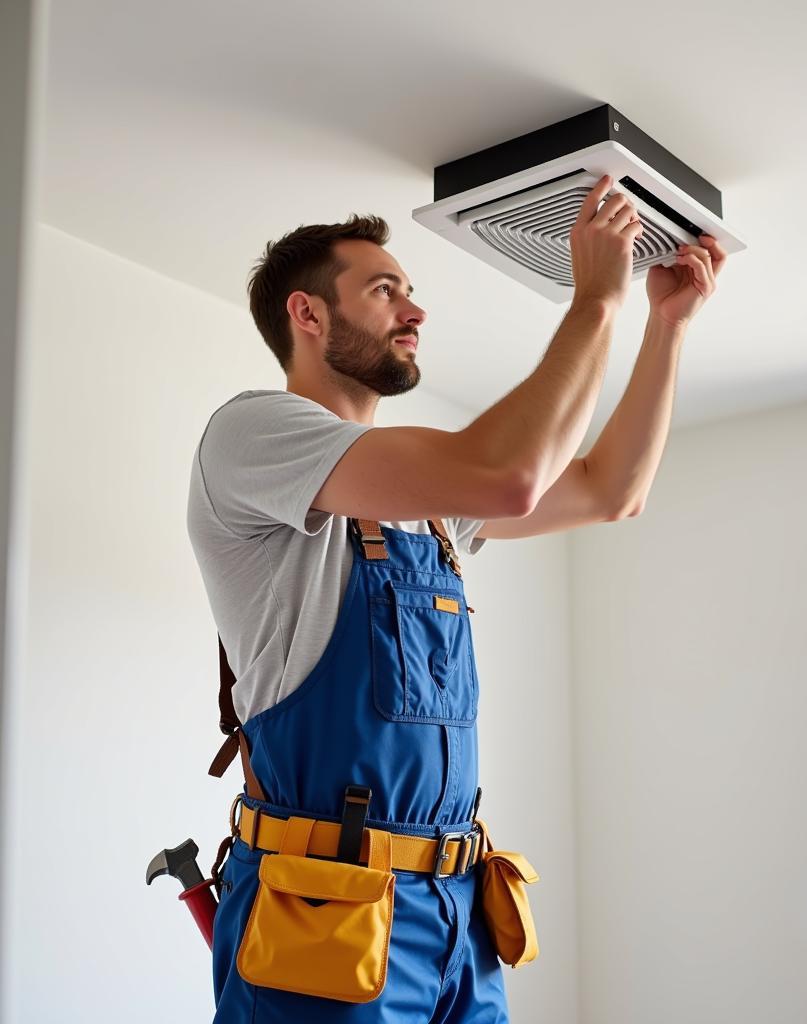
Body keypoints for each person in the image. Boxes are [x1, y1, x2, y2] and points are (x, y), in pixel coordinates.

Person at [186, 174, 725, 1022]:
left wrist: (664, 326)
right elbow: (508, 477)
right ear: (308, 315)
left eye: (409, 289)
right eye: (384, 287)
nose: (415, 310)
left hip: (457, 914)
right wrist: (594, 303)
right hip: (321, 909)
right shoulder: (254, 435)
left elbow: (612, 488)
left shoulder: (426, 504)